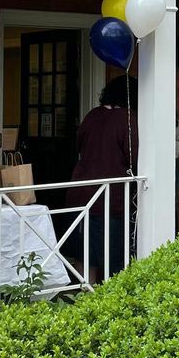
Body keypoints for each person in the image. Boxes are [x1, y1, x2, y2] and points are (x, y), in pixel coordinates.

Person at [66, 76, 138, 283]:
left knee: (84, 252)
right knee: (113, 256)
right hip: (110, 197)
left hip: (81, 191)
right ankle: (108, 295)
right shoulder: (127, 119)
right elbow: (133, 156)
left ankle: (86, 293)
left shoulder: (92, 115)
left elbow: (79, 145)